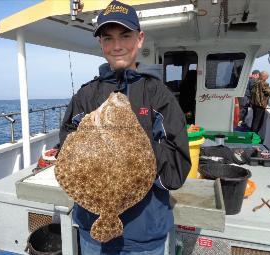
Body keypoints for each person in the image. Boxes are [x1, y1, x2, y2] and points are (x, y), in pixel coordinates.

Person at [59, 1, 191, 254]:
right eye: (108, 38)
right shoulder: (85, 96)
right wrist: (94, 140)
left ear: (140, 39)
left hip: (145, 236)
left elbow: (176, 172)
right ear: (101, 43)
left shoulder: (158, 95)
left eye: (125, 36)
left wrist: (135, 144)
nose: (117, 45)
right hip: (91, 231)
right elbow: (66, 152)